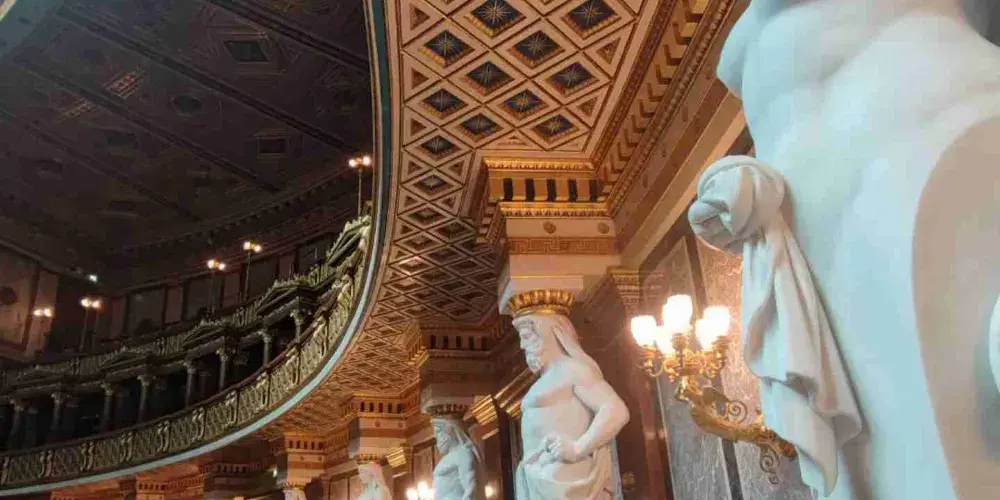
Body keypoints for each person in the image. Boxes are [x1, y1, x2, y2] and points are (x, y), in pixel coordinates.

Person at [512, 310, 628, 499]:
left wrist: (578, 448)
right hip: (538, 476)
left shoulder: (574, 370)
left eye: (526, 337)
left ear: (547, 334)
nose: (522, 345)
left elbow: (615, 409)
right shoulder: (545, 379)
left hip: (564, 476)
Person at [431, 415, 484, 500]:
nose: (438, 442)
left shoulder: (463, 453)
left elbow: (471, 489)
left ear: (450, 433)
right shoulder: (448, 457)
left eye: (439, 436)